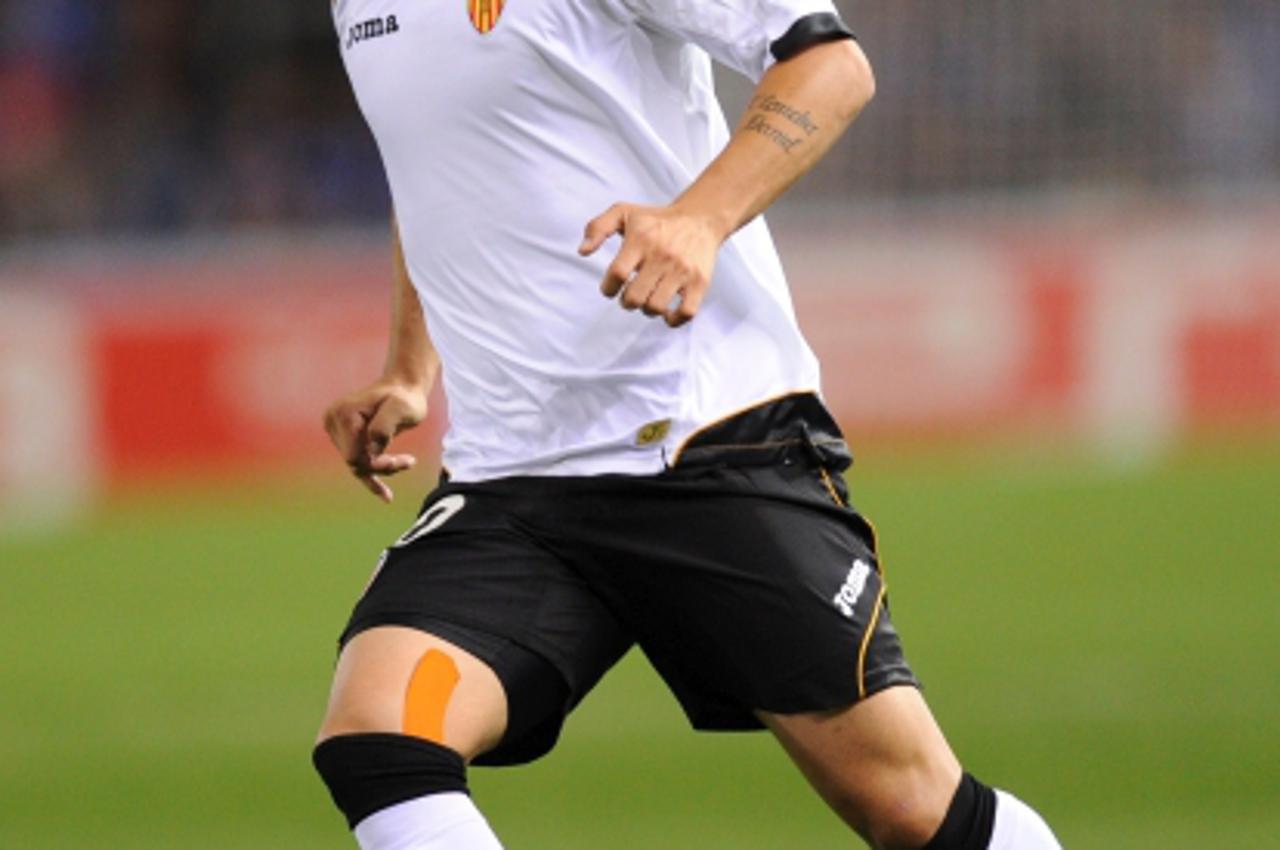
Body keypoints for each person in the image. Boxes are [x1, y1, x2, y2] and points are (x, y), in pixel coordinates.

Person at [313, 1, 1063, 848]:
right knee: (378, 741)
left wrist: (700, 218)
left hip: (701, 440)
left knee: (914, 808)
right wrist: (412, 369)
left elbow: (829, 65)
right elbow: (437, 167)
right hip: (511, 477)